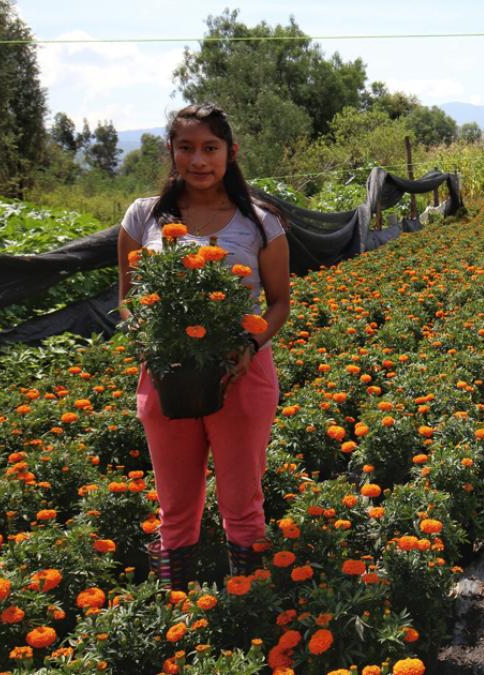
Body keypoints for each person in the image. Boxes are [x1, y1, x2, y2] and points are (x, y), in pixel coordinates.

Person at [117, 103, 290, 589]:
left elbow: (279, 303)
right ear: (170, 153)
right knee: (173, 504)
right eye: (186, 148)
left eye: (210, 148)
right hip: (166, 374)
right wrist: (147, 337)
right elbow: (128, 299)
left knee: (242, 501)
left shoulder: (260, 222)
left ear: (230, 153)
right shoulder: (142, 218)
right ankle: (176, 605)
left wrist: (249, 347)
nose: (199, 160)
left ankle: (249, 607)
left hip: (242, 373)